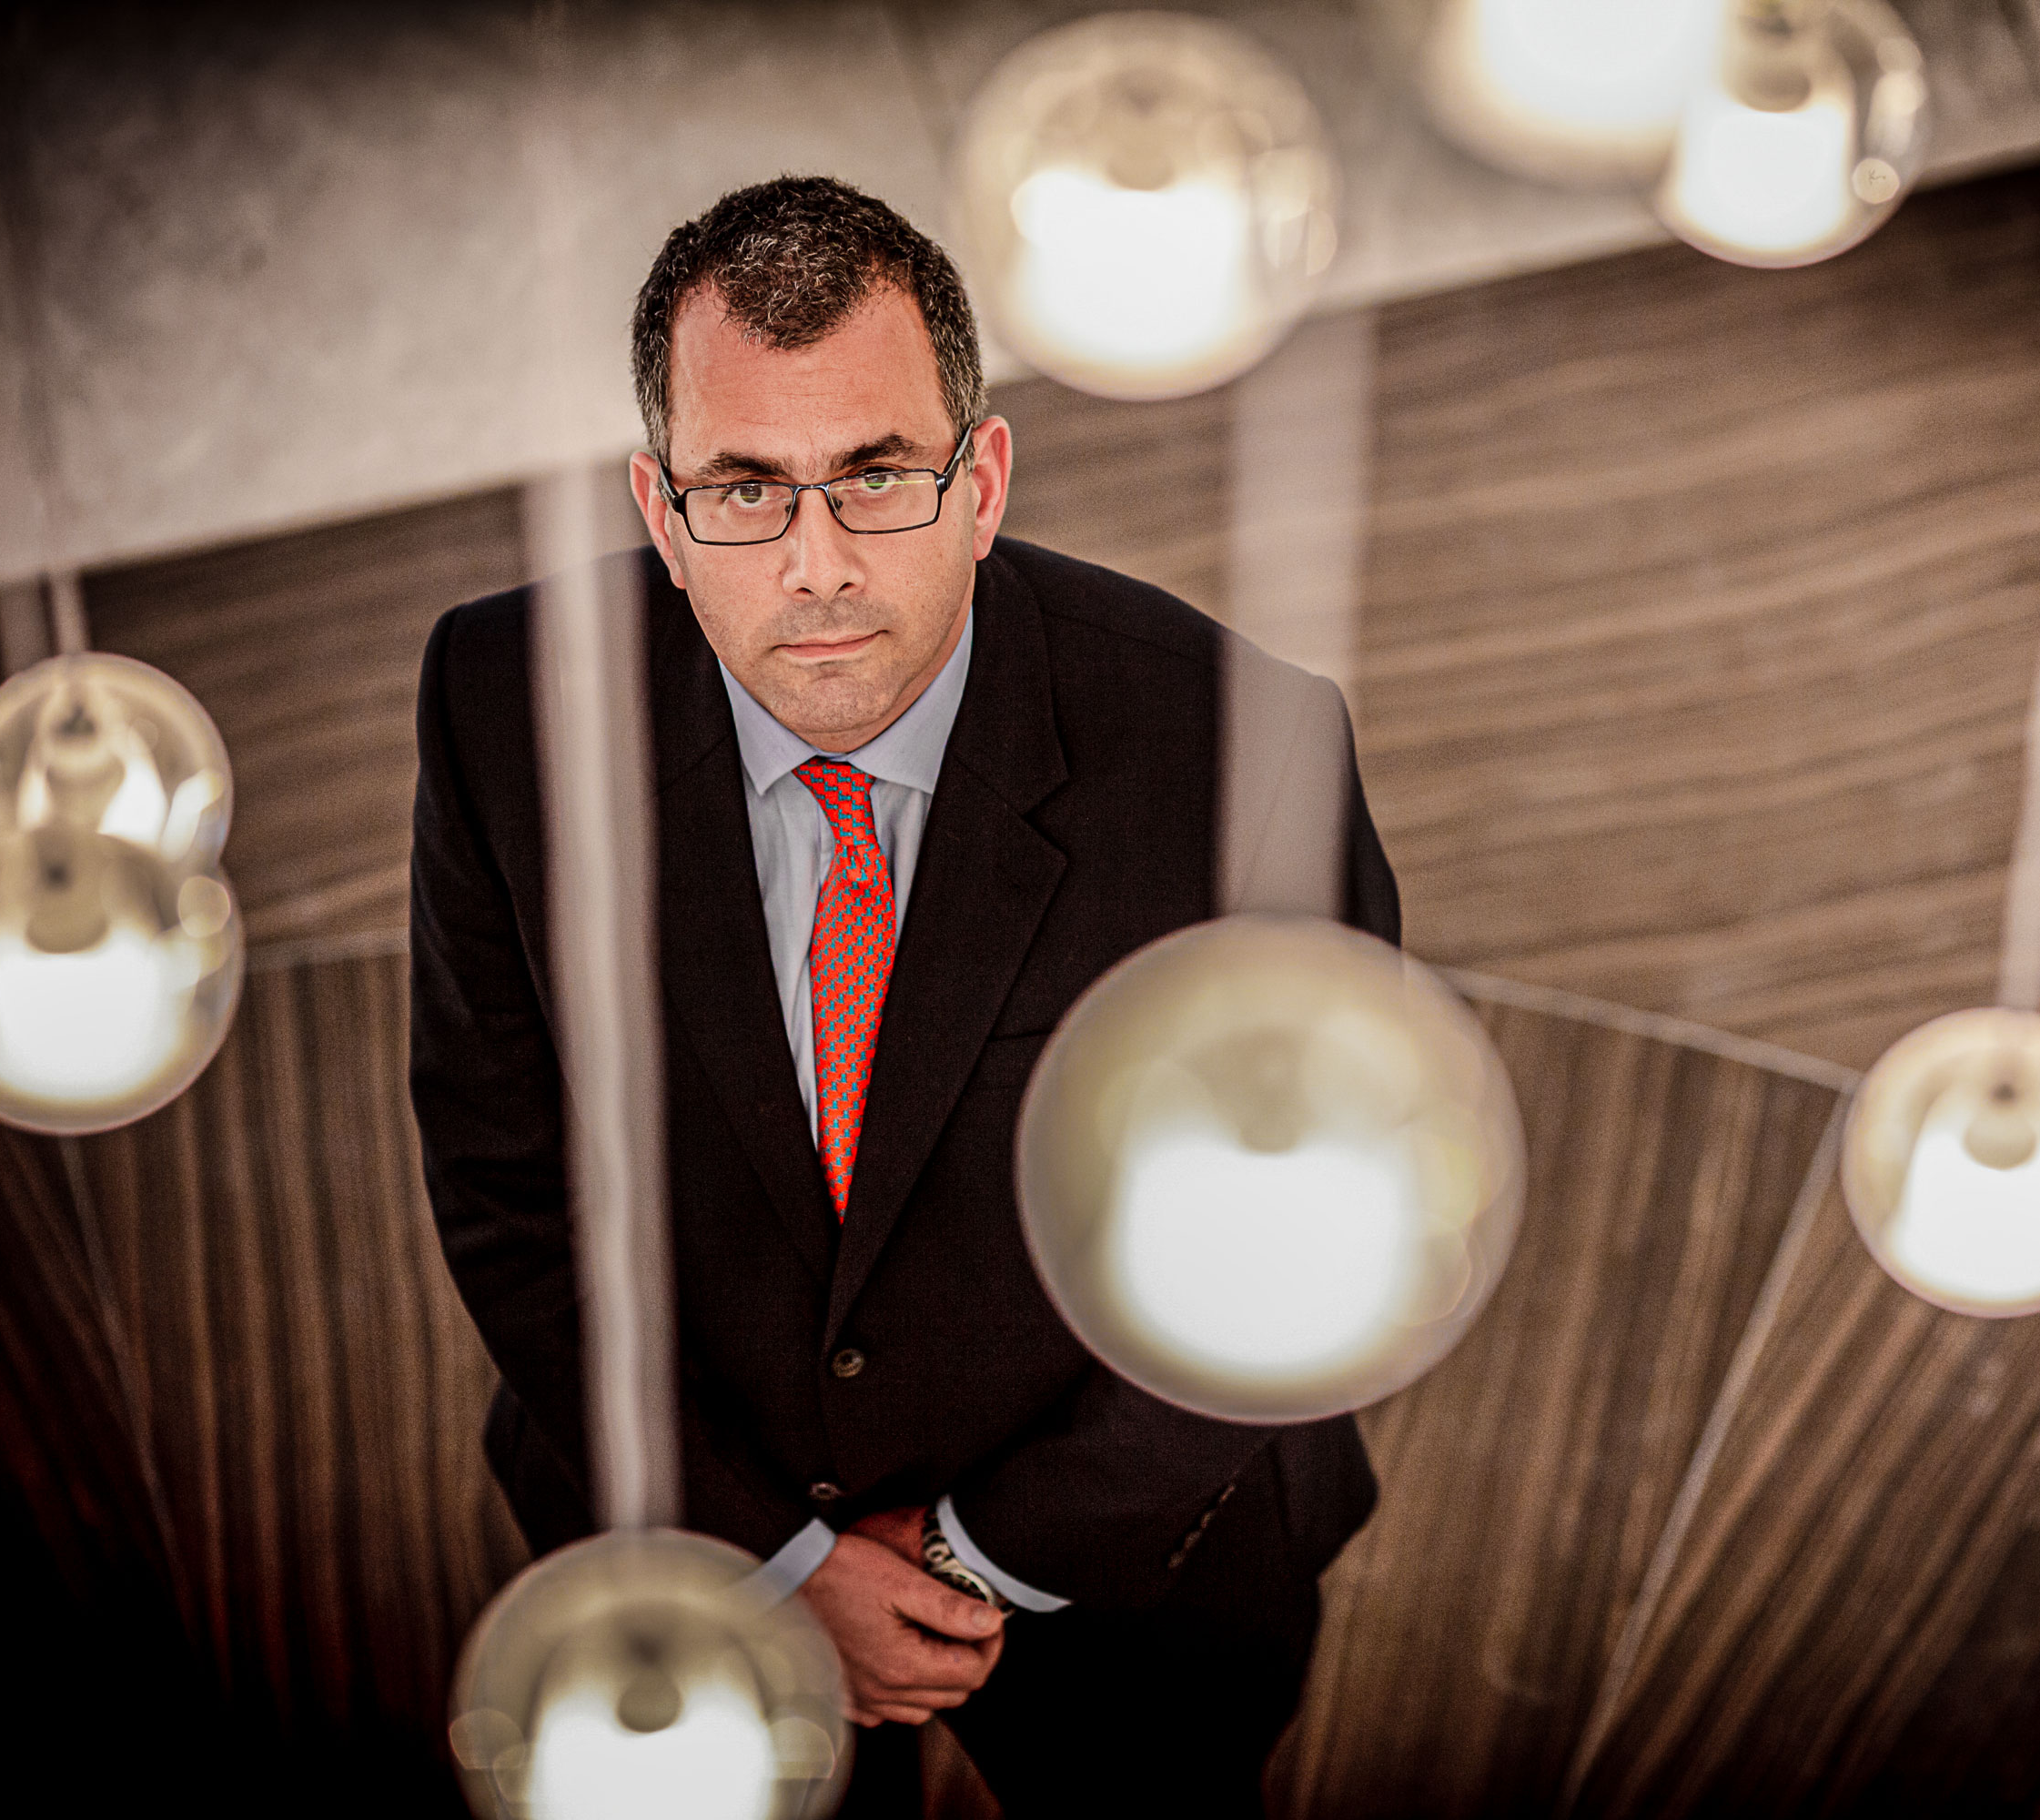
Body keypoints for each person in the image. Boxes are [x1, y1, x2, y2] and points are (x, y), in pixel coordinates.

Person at [408, 175, 1398, 1815]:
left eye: (875, 477)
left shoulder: (1246, 751)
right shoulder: (502, 704)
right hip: (687, 1533)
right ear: (659, 513)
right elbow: (507, 1187)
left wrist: (974, 1559)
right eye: (744, 488)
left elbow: (1310, 1245)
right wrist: (775, 1557)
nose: (815, 569)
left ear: (983, 479)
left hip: (1126, 1564)